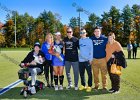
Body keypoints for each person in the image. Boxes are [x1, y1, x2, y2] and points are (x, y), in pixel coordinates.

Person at [90, 26, 108, 91]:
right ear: (94, 32)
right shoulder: (91, 39)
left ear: (100, 32)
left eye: (98, 31)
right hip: (94, 59)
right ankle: (96, 86)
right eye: (96, 31)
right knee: (95, 74)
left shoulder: (105, 39)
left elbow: (111, 45)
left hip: (103, 59)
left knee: (104, 74)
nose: (97, 32)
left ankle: (104, 86)